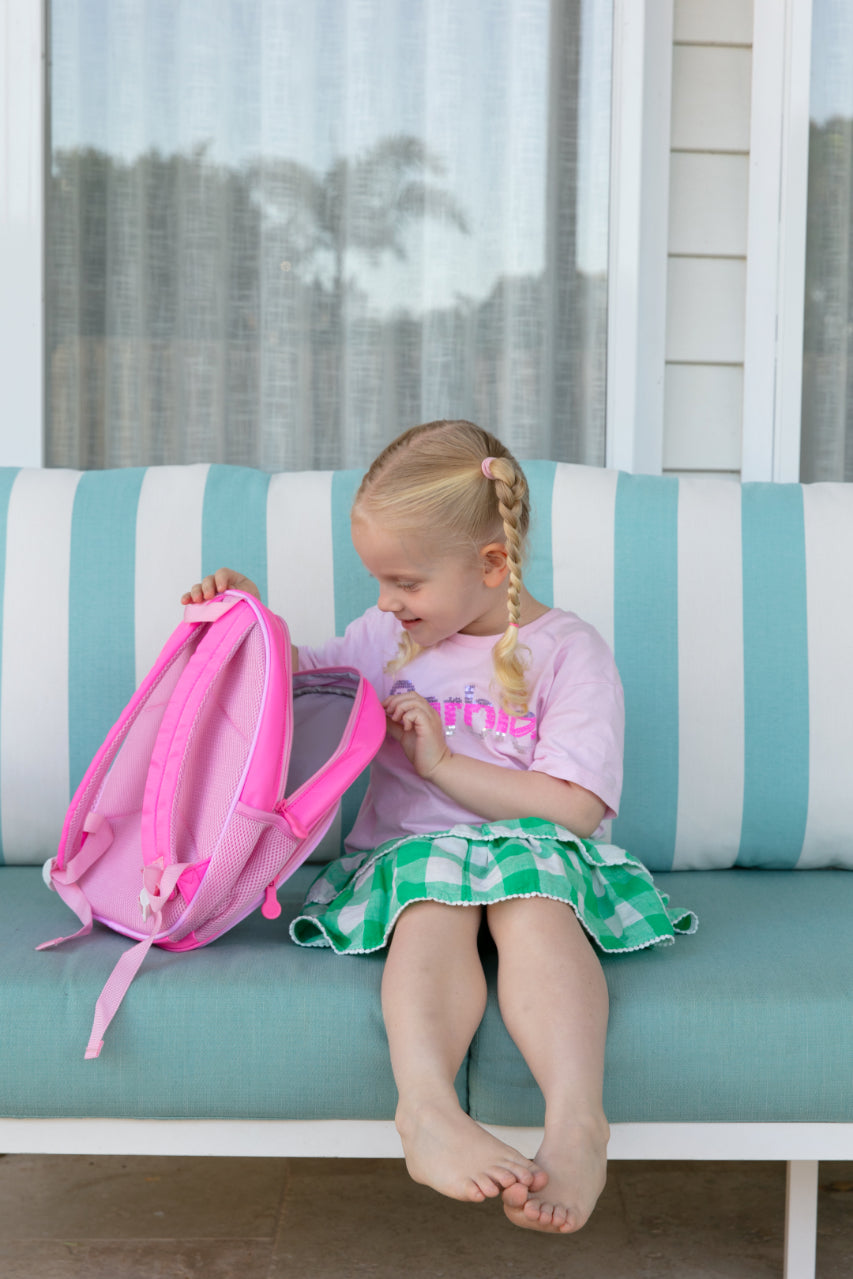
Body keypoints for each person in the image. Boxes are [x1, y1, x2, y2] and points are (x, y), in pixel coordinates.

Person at [182, 419, 694, 1235]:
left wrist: (444, 766)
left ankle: (576, 1121)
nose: (387, 601)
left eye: (405, 581)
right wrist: (248, 618)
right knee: (430, 908)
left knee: (533, 905)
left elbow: (575, 808)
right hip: (413, 859)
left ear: (491, 565)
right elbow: (294, 684)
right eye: (379, 581)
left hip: (540, 855)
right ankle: (423, 1110)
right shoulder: (388, 638)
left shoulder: (568, 653)